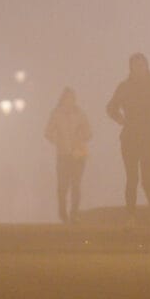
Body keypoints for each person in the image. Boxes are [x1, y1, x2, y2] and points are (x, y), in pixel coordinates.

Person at [106, 53, 150, 226]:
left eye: (141, 65)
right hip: (130, 138)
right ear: (131, 68)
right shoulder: (125, 87)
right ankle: (131, 216)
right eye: (135, 65)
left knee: (147, 180)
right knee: (132, 178)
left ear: (146, 66)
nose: (139, 68)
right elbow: (111, 107)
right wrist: (120, 118)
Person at [45, 87, 93, 223]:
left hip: (78, 155)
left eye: (72, 98)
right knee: (63, 185)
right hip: (63, 155)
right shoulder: (56, 114)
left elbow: (89, 132)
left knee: (76, 185)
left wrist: (81, 137)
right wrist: (58, 142)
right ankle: (62, 212)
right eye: (67, 98)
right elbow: (48, 132)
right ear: (62, 99)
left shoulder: (80, 114)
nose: (69, 101)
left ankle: (74, 213)